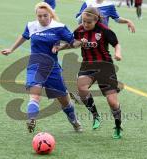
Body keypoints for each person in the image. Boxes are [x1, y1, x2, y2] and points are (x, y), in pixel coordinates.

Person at [0, 2, 82, 133]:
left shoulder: (59, 27)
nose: (42, 18)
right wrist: (11, 49)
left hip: (53, 68)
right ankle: (32, 119)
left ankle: (75, 122)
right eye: (39, 16)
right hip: (35, 65)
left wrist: (80, 42)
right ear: (36, 16)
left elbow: (73, 43)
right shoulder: (31, 25)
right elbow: (23, 36)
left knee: (64, 100)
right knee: (34, 96)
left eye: (45, 16)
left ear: (51, 14)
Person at [53, 7, 123, 139]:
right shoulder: (79, 30)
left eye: (88, 22)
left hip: (105, 66)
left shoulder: (105, 31)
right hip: (87, 65)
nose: (85, 24)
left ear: (96, 20)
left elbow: (116, 44)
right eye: (83, 21)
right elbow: (71, 43)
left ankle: (118, 126)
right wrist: (59, 48)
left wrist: (118, 53)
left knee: (112, 102)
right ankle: (96, 116)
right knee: (81, 88)